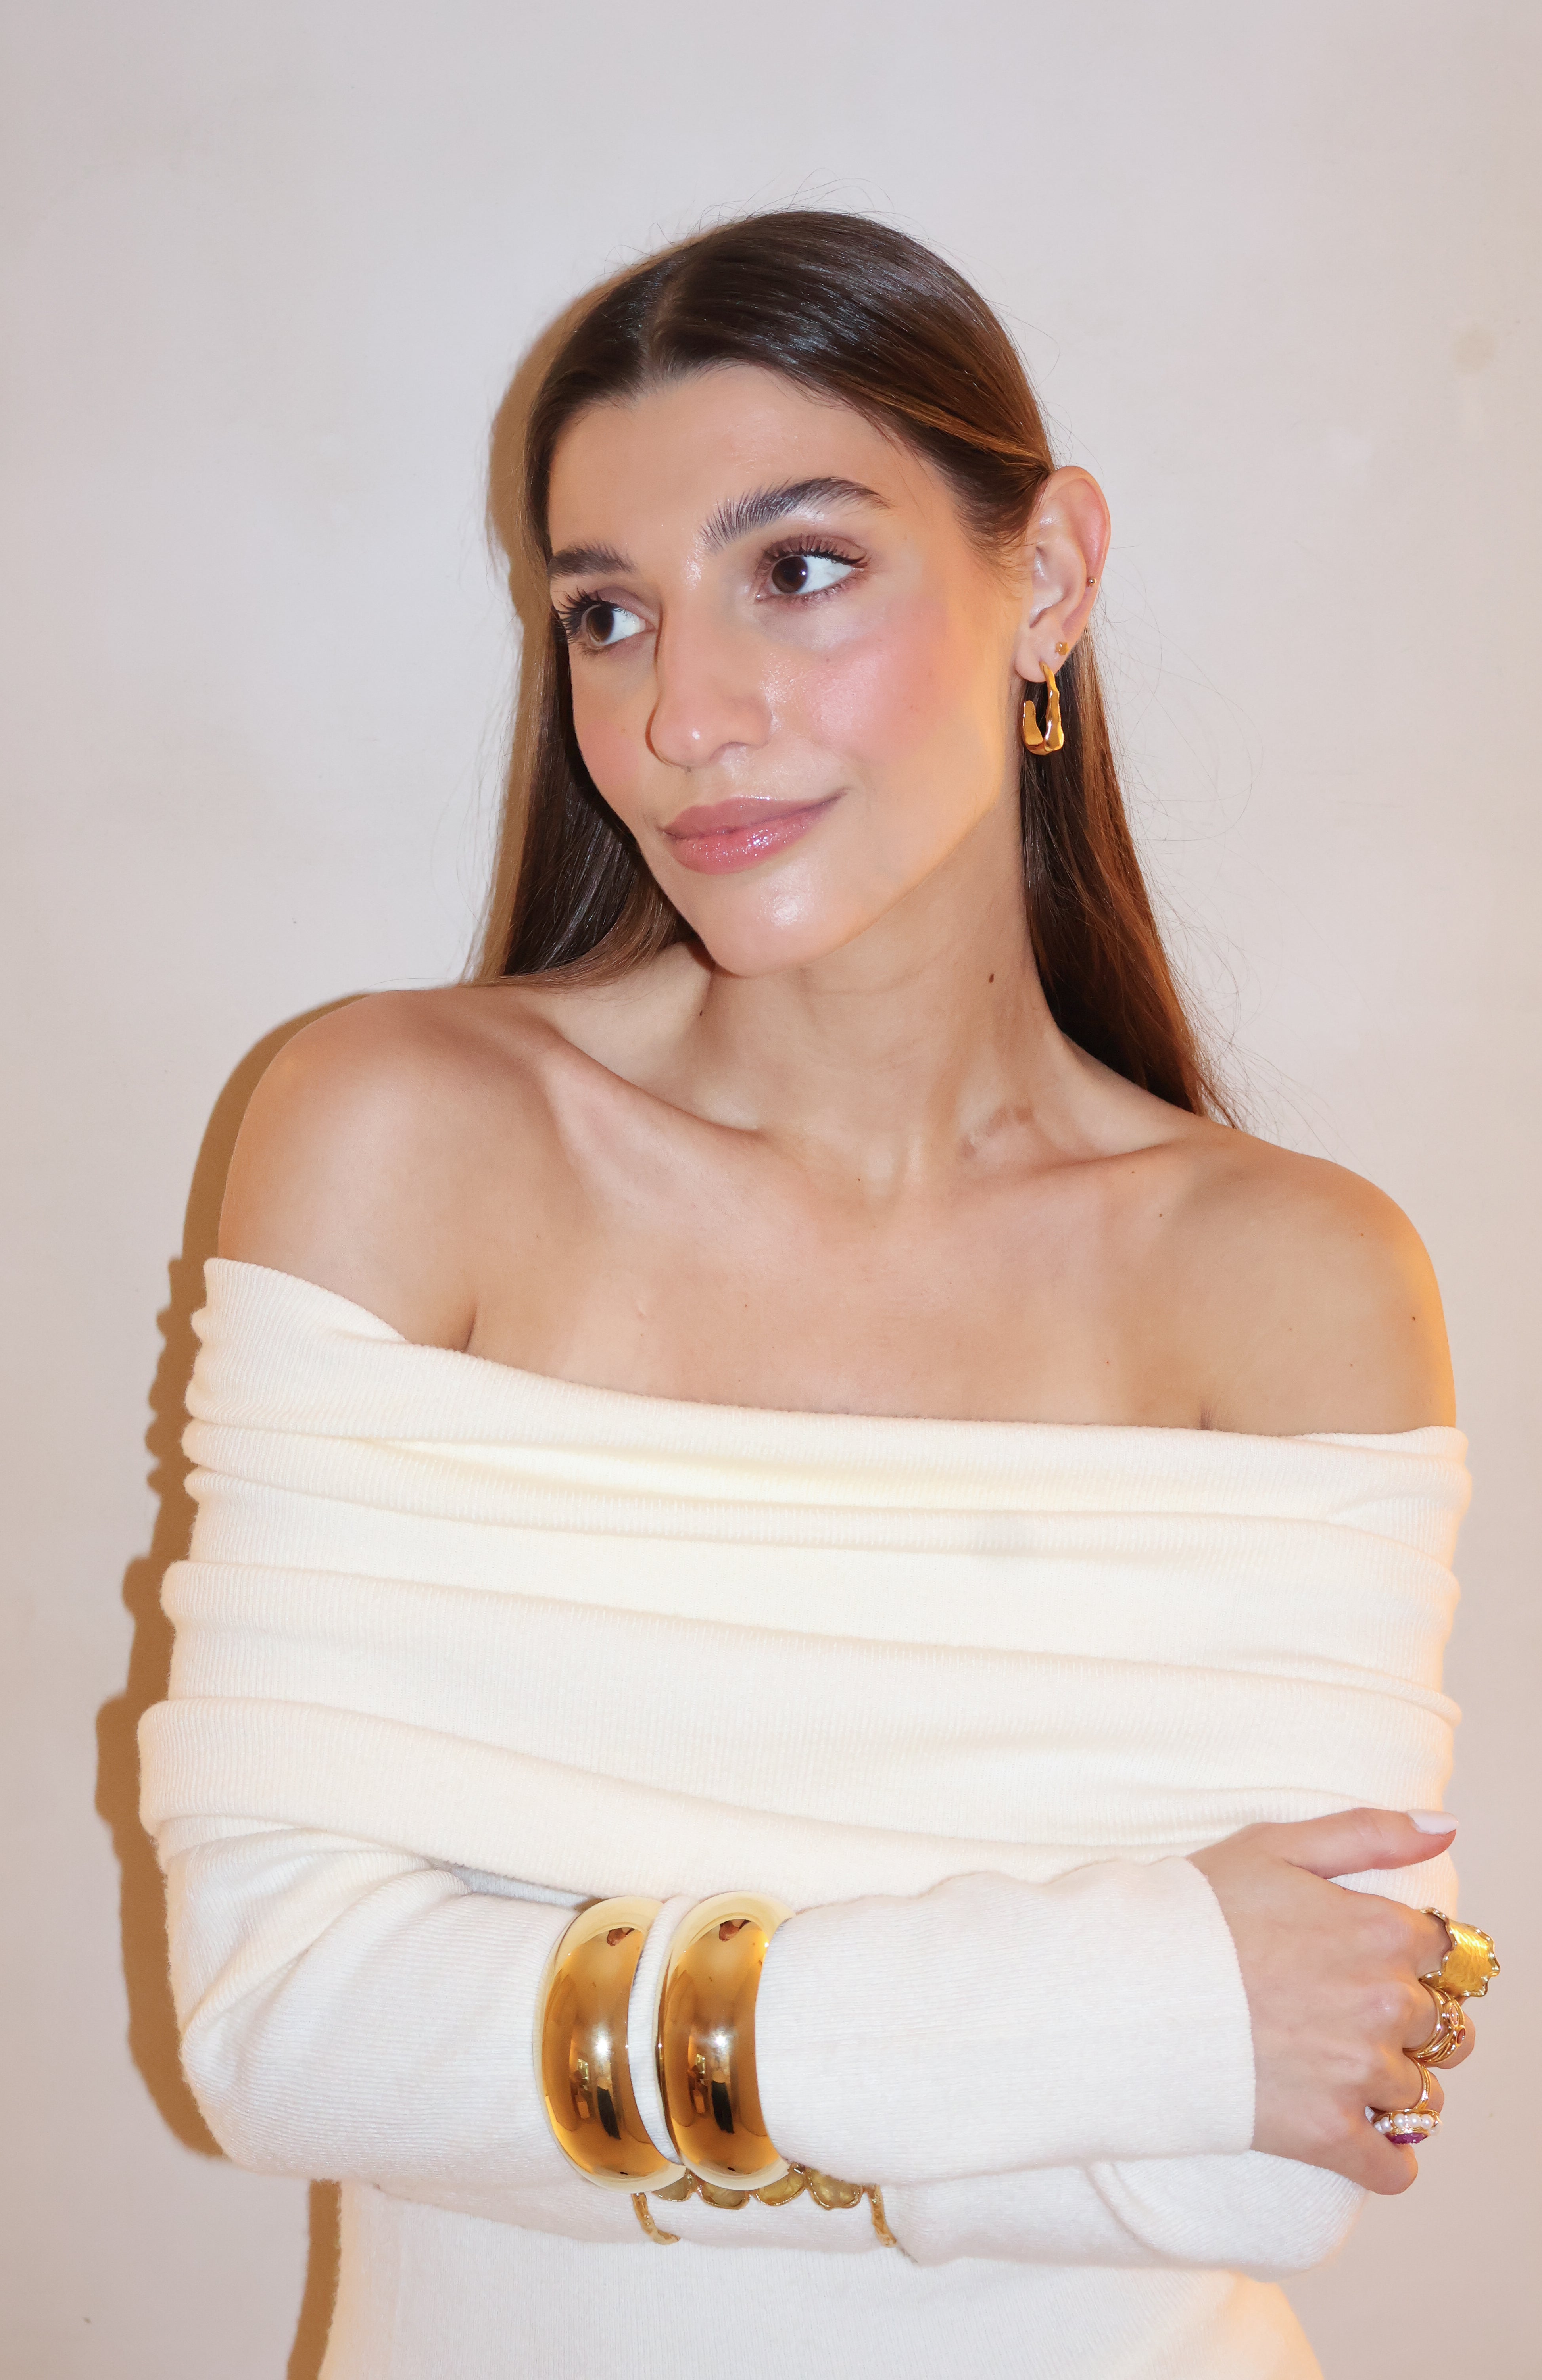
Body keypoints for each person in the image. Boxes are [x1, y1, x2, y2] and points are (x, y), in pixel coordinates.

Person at [140, 213, 1492, 2380]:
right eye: (607, 613)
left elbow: (1291, 2154)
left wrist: (546, 2039)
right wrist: (1131, 2005)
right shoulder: (399, 1135)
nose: (683, 714)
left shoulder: (1296, 1275)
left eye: (799, 568)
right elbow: (287, 2028)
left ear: (1049, 577)